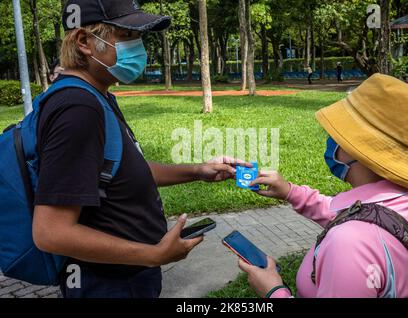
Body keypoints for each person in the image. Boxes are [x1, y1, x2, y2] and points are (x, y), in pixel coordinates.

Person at [32, 0, 248, 298]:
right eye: (127, 36)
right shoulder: (77, 108)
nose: (139, 48)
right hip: (106, 284)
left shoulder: (95, 95)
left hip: (123, 278)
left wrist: (198, 170)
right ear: (84, 42)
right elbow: (50, 233)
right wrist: (152, 255)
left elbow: (118, 170)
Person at [238, 73, 408, 298]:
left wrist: (273, 291)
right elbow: (357, 216)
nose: (330, 138)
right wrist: (291, 192)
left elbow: (356, 230)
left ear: (359, 150)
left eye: (338, 134)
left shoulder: (348, 244)